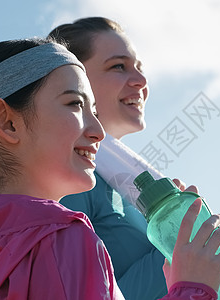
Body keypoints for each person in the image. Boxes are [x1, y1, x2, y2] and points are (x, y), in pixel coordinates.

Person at [0, 38, 220, 299]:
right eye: (75, 104)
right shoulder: (65, 238)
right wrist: (193, 288)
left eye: (94, 109)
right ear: (8, 121)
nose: (98, 130)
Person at [48, 17, 173, 299]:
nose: (141, 81)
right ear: (73, 81)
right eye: (119, 66)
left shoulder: (125, 179)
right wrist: (180, 252)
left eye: (139, 68)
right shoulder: (67, 177)